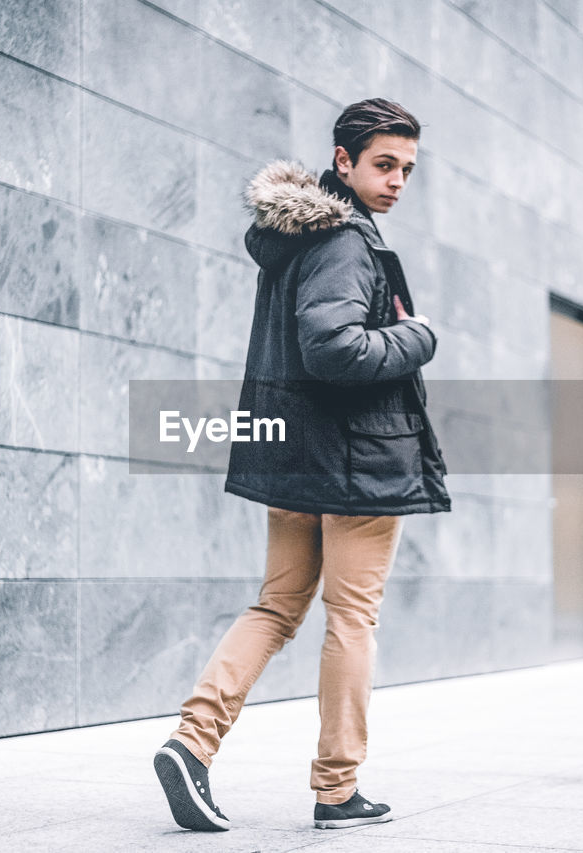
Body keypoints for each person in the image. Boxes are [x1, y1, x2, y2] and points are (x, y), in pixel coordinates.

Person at [153, 97, 450, 833]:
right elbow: (334, 348)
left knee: (277, 604)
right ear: (343, 162)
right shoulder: (346, 240)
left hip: (297, 454)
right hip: (354, 459)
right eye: (384, 164)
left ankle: (192, 742)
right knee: (352, 617)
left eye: (408, 168)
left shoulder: (300, 238)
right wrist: (417, 338)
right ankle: (338, 787)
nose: (397, 180)